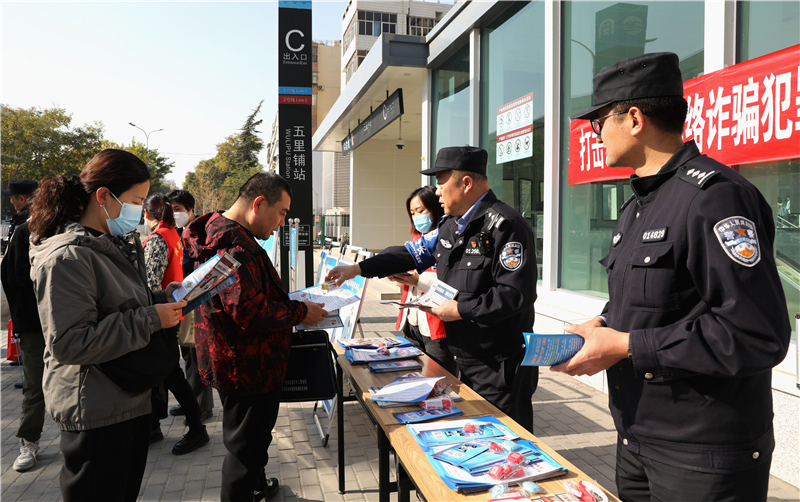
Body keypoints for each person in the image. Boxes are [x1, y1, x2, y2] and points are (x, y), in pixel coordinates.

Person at [555, 52, 791, 502]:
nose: (596, 133)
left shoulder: (715, 198)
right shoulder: (638, 205)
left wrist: (625, 345)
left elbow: (756, 333)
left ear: (634, 119)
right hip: (637, 439)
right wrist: (601, 325)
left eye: (599, 122)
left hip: (702, 457)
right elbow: (648, 302)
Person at [327, 146, 539, 432]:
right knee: (476, 437)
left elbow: (515, 295)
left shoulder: (506, 226)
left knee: (507, 441)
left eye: (440, 182)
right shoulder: (450, 226)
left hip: (500, 366)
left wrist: (460, 310)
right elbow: (409, 254)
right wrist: (358, 269)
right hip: (464, 358)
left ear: (466, 183)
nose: (436, 192)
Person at [27, 149, 187, 502]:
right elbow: (70, 342)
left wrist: (161, 298)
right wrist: (151, 318)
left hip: (126, 398)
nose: (139, 212)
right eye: (136, 202)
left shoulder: (111, 243)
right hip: (95, 408)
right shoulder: (68, 257)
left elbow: (119, 303)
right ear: (103, 196)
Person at [183, 172, 328, 502]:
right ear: (259, 204)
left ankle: (256, 487)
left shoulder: (218, 235)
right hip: (247, 367)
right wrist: (300, 312)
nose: (281, 223)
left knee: (252, 442)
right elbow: (250, 312)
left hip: (237, 360)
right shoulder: (235, 248)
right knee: (244, 450)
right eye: (282, 213)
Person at [142, 193, 210, 455]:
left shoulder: (158, 238)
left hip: (161, 312)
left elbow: (150, 283)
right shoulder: (172, 234)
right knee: (166, 373)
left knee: (172, 374)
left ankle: (196, 427)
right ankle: (154, 426)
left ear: (147, 214)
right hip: (169, 310)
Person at [0, 179, 46, 471]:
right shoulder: (23, 231)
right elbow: (13, 280)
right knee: (34, 386)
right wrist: (21, 322)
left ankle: (82, 439)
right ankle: (29, 442)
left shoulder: (70, 230)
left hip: (71, 322)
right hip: (35, 325)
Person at [387, 186, 457, 375]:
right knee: (413, 374)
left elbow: (450, 282)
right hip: (412, 321)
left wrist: (417, 280)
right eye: (412, 213)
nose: (417, 217)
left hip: (436, 324)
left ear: (435, 208)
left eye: (420, 211)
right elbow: (410, 279)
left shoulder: (449, 238)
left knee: (440, 378)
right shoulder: (415, 239)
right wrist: (397, 276)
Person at [166, 189, 215, 423]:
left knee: (197, 355)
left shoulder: (200, 233)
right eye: (170, 210)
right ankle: (191, 401)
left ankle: (202, 406)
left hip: (198, 301)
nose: (174, 214)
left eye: (177, 209)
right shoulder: (178, 232)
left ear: (190, 209)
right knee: (187, 352)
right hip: (183, 300)